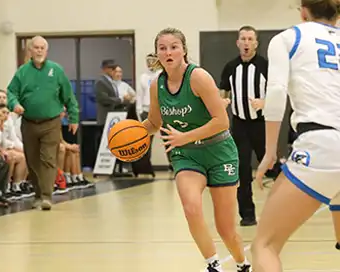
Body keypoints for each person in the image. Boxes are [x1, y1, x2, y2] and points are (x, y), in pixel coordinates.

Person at [142, 27, 251, 272]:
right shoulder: (156, 85)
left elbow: (221, 121)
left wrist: (184, 136)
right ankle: (213, 264)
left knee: (226, 229)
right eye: (163, 48)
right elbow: (154, 123)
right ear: (157, 53)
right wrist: (131, 135)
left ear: (183, 51)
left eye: (173, 47)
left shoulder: (198, 77)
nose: (168, 52)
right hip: (186, 155)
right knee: (191, 208)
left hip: (219, 150)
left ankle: (243, 265)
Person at [251, 0, 340, 270]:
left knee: (264, 245)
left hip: (322, 144)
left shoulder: (288, 38)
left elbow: (276, 94)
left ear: (302, 11)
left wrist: (269, 152)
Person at [7, 35, 79, 211]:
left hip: (51, 122)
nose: (39, 51)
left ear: (46, 51)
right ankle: (38, 194)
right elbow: (11, 92)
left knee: (48, 158)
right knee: (32, 161)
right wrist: (14, 104)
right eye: (36, 48)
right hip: (29, 122)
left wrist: (73, 117)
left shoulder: (56, 70)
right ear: (30, 51)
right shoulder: (22, 72)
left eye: (42, 48)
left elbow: (68, 96)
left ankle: (47, 196)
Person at [220, 26, 281, 226]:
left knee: (272, 167)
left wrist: (264, 103)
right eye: (243, 39)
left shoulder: (266, 66)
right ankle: (247, 215)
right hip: (239, 126)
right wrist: (224, 102)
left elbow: (277, 93)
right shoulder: (230, 67)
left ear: (256, 43)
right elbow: (224, 92)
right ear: (238, 43)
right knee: (242, 171)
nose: (246, 43)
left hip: (261, 125)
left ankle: (281, 210)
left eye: (250, 39)